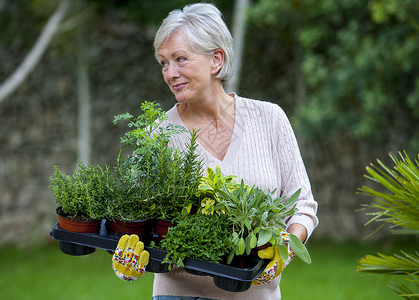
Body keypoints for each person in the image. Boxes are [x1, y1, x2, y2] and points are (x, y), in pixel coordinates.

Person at [112, 3, 318, 300]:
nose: (170, 73)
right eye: (163, 63)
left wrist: (286, 247)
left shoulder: (269, 119)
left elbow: (303, 206)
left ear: (216, 60)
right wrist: (126, 261)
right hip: (181, 295)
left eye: (180, 59)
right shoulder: (158, 135)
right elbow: (137, 224)